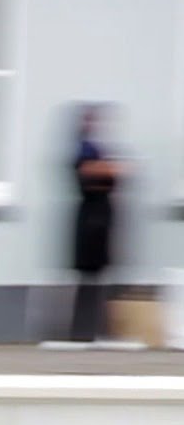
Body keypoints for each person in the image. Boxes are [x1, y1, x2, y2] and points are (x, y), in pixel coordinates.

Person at [66, 104, 124, 343]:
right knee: (89, 279)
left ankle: (91, 330)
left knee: (94, 279)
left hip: (97, 220)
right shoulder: (83, 150)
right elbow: (94, 175)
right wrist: (111, 171)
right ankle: (84, 332)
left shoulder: (91, 149)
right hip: (92, 222)